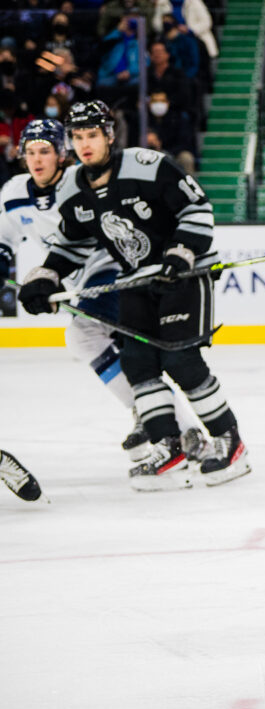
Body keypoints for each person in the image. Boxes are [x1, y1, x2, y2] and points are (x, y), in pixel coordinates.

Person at [16, 100, 251, 491]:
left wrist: (179, 255)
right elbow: (72, 242)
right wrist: (46, 276)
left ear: (109, 135)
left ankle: (230, 441)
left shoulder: (147, 165)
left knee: (180, 359)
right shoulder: (74, 185)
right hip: (135, 279)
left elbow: (197, 209)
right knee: (138, 363)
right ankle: (169, 447)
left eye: (92, 135)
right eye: (77, 137)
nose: (85, 144)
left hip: (185, 272)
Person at [1, 118, 146, 461]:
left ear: (61, 154)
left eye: (45, 151)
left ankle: (156, 417)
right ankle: (159, 417)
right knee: (121, 352)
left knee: (84, 336)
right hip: (81, 281)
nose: (36, 160)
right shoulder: (14, 192)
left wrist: (48, 278)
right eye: (30, 152)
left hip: (115, 267)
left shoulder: (82, 181)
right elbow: (3, 239)